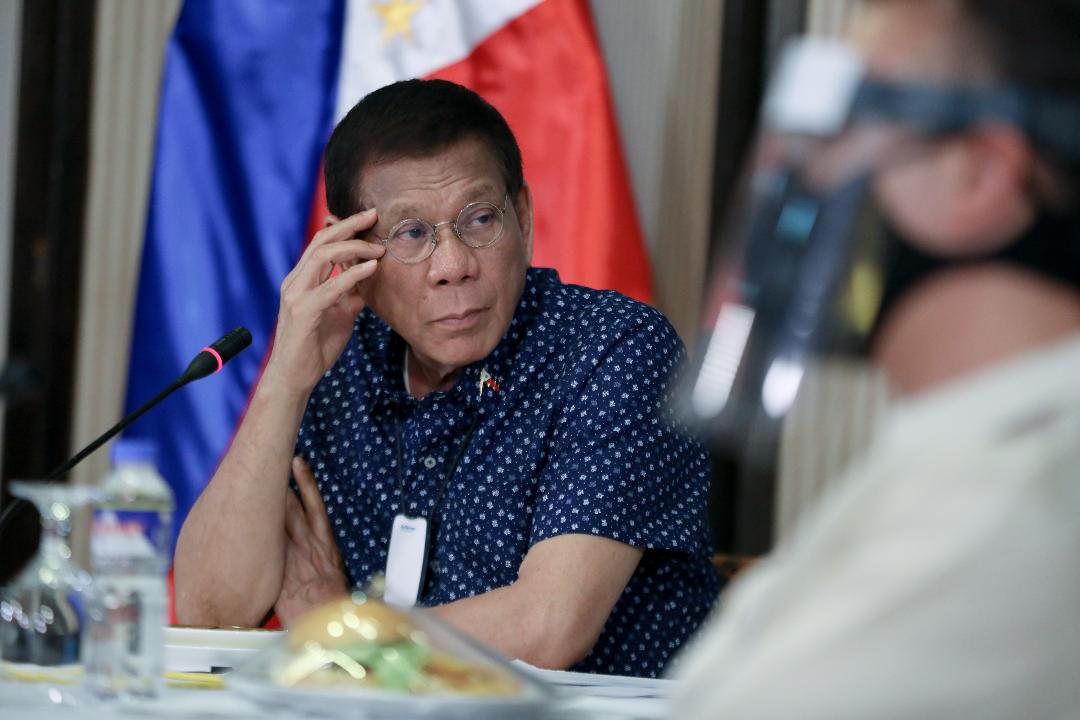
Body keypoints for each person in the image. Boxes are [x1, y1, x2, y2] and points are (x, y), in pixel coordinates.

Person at [173, 79, 718, 677]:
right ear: (351, 249)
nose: (453, 266)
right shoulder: (337, 360)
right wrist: (284, 381)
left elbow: (548, 627)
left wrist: (341, 631)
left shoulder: (613, 348)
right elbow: (209, 610)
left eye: (480, 219)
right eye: (411, 234)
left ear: (526, 217)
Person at [672, 0, 1080, 715]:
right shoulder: (964, 448)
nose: (801, 173)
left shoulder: (1009, 506)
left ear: (979, 173)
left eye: (842, 126)